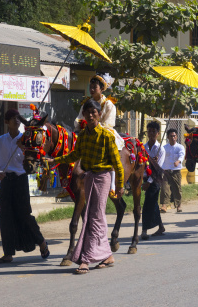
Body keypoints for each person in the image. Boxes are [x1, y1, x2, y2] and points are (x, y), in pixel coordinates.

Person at [46, 99, 124, 274]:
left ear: (99, 114)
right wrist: (55, 161)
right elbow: (74, 155)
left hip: (103, 178)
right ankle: (107, 255)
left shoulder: (106, 136)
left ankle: (86, 259)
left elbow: (117, 164)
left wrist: (119, 185)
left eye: (93, 112)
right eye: (87, 112)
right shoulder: (82, 136)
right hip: (88, 178)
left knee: (92, 217)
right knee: (97, 217)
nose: (90, 115)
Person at [0, 109, 49, 264]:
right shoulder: (0, 141)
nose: (16, 120)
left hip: (21, 180)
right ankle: (8, 254)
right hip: (6, 181)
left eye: (18, 118)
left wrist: (25, 149)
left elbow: (36, 158)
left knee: (25, 215)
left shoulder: (27, 139)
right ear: (6, 122)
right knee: (5, 217)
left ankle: (42, 243)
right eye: (12, 118)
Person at [60, 73, 123, 200]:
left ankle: (112, 186)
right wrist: (80, 125)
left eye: (95, 87)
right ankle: (68, 183)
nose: (92, 89)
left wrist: (93, 125)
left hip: (104, 132)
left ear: (101, 88)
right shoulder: (86, 104)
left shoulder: (109, 104)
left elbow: (109, 124)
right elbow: (78, 118)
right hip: (86, 131)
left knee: (110, 151)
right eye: (91, 87)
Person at [141, 121, 166, 240]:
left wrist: (148, 183)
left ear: (158, 133)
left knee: (147, 204)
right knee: (154, 204)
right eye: (149, 131)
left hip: (155, 181)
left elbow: (158, 170)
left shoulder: (161, 150)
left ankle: (144, 230)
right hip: (145, 178)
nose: (151, 133)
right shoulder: (143, 147)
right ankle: (161, 227)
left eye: (153, 131)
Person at [160, 129, 185, 213]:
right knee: (164, 188)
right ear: (168, 137)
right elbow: (160, 157)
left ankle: (178, 205)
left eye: (174, 136)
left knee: (177, 189)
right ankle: (164, 205)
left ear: (176, 137)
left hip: (176, 171)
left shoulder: (180, 147)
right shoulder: (164, 148)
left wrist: (178, 161)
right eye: (171, 136)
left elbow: (182, 155)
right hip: (166, 171)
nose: (173, 138)